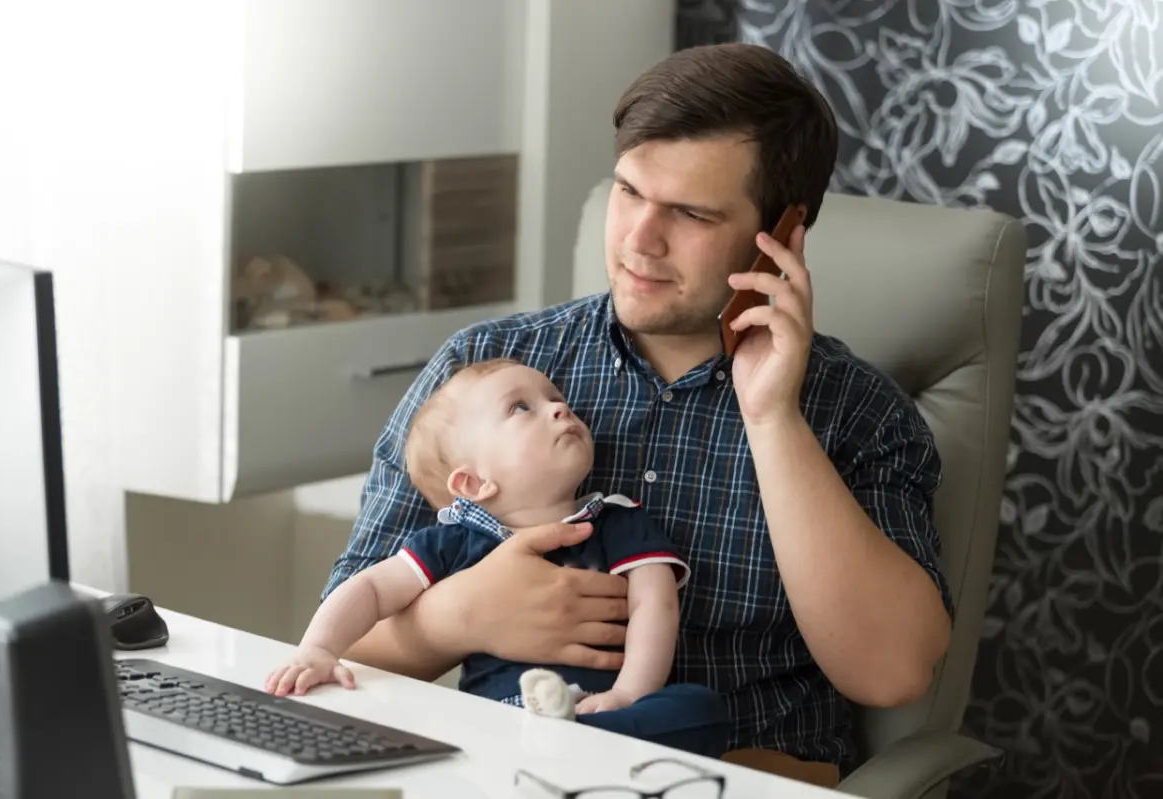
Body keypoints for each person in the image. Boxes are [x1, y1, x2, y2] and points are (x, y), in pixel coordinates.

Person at [321, 42, 953, 785]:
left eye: (687, 212)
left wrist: (772, 417)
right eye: (627, 191)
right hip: (513, 771)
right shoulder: (485, 368)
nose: (637, 241)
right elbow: (341, 634)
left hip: (735, 773)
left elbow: (891, 673)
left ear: (781, 236)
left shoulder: (857, 411)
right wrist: (463, 616)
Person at [266, 358, 730, 757]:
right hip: (500, 720)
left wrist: (630, 693)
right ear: (474, 484)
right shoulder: (455, 542)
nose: (558, 406)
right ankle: (555, 742)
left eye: (555, 397)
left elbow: (656, 604)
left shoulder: (615, 520)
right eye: (520, 408)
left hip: (607, 711)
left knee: (700, 709)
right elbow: (369, 587)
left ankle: (576, 740)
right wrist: (319, 649)